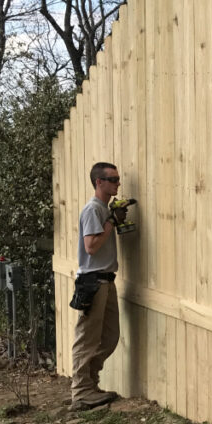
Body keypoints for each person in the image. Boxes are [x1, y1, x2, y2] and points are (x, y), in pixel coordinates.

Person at [69, 162, 123, 411]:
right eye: (112, 179)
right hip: (93, 281)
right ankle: (80, 392)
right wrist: (111, 221)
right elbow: (91, 246)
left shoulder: (103, 209)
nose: (117, 184)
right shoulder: (93, 210)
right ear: (98, 182)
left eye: (118, 179)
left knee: (110, 337)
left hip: (106, 279)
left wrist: (114, 218)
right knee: (87, 339)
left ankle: (91, 384)